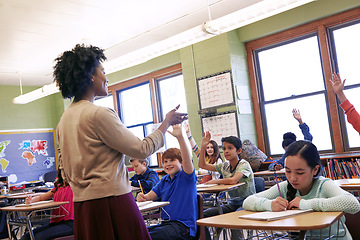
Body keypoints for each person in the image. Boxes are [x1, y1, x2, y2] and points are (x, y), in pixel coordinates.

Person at [53, 44, 188, 240]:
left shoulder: (63, 121)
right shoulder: (98, 114)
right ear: (91, 76)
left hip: (83, 205)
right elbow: (142, 149)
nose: (106, 78)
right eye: (103, 71)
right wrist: (166, 122)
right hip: (112, 201)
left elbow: (64, 167)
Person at [244, 140, 360, 240]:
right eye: (288, 171)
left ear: (315, 170)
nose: (292, 178)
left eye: (300, 172)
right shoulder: (285, 187)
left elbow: (353, 204)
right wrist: (269, 204)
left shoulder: (323, 185)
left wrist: (305, 204)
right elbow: (248, 201)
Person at [137, 124, 198, 240]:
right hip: (166, 224)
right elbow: (149, 197)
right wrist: (142, 197)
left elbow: (187, 159)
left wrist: (180, 137)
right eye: (165, 161)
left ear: (181, 163)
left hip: (183, 226)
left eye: (172, 160)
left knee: (149, 236)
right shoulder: (164, 180)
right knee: (138, 232)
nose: (168, 164)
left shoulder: (186, 177)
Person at [198, 133, 255, 240]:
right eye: (224, 149)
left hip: (247, 204)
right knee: (202, 216)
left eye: (230, 148)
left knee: (234, 218)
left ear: (238, 151)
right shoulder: (225, 165)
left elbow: (234, 180)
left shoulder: (244, 164)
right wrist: (203, 146)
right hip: (232, 204)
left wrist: (216, 181)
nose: (226, 151)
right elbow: (202, 165)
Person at [20, 169, 74, 240]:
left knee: (39, 237)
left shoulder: (74, 186)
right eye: (62, 170)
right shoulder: (57, 188)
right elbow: (40, 197)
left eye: (66, 169)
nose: (64, 173)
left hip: (70, 223)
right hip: (56, 222)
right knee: (26, 237)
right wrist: (30, 200)